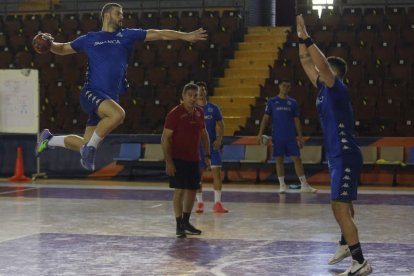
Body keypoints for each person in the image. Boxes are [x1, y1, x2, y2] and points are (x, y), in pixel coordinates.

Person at [34, 2, 207, 171]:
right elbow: (63, 48)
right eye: (119, 13)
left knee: (86, 142)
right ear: (107, 15)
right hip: (91, 92)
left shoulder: (127, 35)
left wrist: (185, 36)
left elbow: (158, 34)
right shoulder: (90, 39)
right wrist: (50, 45)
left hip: (108, 99)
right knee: (118, 115)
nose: (122, 17)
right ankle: (89, 150)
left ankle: (48, 140)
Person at [296, 15, 372, 275]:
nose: (319, 70)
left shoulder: (337, 87)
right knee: (343, 206)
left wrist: (308, 37)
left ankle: (359, 261)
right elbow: (306, 61)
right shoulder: (322, 91)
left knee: (339, 208)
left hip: (345, 154)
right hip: (337, 155)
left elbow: (318, 63)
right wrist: (299, 37)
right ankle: (344, 243)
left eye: (325, 68)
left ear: (333, 72)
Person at [161, 83, 211, 238]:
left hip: (194, 159)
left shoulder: (199, 113)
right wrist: (169, 162)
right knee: (180, 191)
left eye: (195, 95)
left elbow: (204, 134)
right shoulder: (175, 113)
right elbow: (165, 138)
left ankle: (186, 222)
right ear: (183, 97)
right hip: (178, 159)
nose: (193, 98)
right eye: (189, 95)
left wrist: (208, 155)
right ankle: (178, 225)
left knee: (191, 190)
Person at [257, 79, 317, 194]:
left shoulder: (293, 102)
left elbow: (297, 120)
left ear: (289, 89)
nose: (285, 88)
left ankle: (304, 185)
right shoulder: (272, 101)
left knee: (297, 159)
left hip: (290, 136)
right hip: (277, 136)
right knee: (279, 159)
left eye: (288, 86)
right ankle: (282, 184)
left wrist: (300, 136)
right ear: (279, 87)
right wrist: (260, 133)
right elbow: (265, 118)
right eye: (283, 85)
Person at [195, 81, 228, 213]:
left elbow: (221, 125)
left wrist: (219, 139)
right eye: (199, 90)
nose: (201, 92)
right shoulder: (192, 108)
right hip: (197, 147)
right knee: (197, 176)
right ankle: (200, 203)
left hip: (213, 146)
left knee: (217, 175)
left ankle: (217, 203)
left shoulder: (213, 108)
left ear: (206, 92)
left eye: (203, 89)